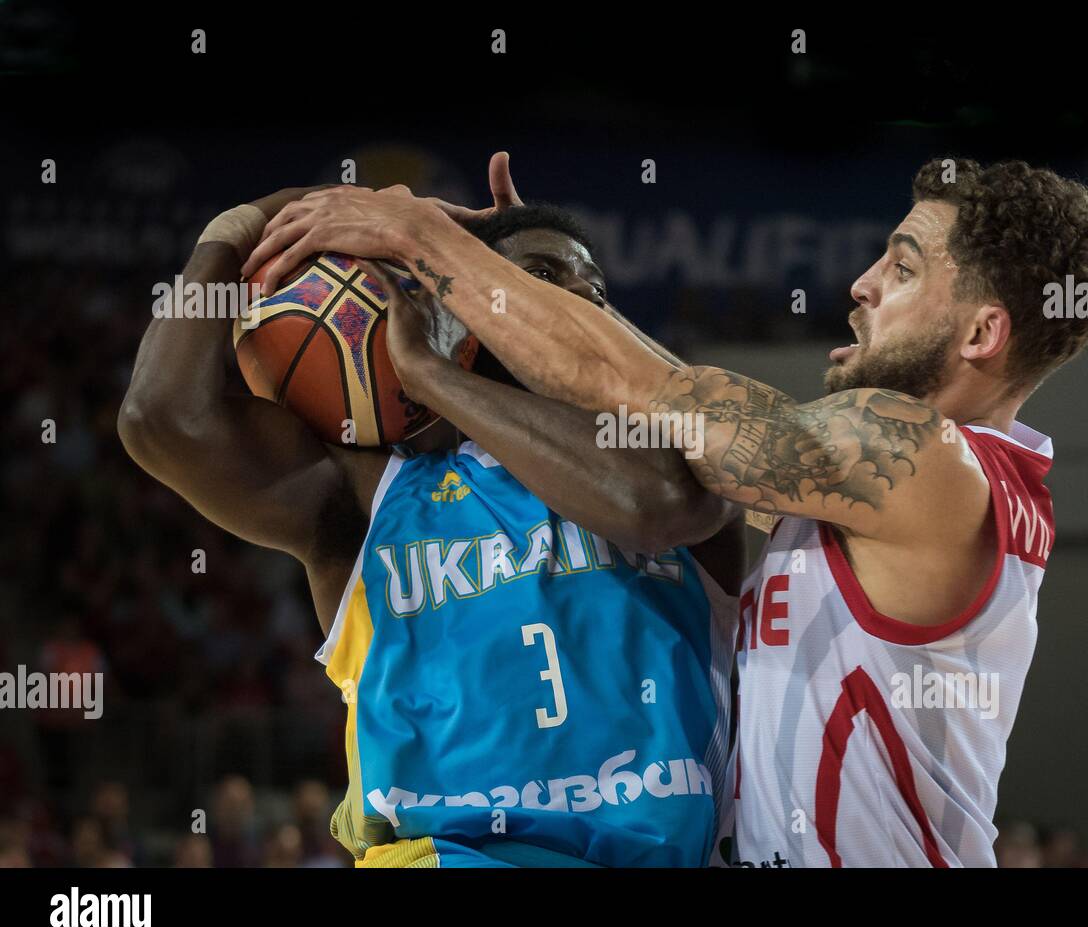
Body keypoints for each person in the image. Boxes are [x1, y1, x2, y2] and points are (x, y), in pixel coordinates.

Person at [244, 155, 1088, 867]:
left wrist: (428, 241)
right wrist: (527, 275)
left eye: (901, 266)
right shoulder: (926, 483)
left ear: (981, 335)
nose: (861, 283)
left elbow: (654, 393)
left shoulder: (915, 458)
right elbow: (679, 413)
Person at [119, 169, 743, 867]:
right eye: (536, 276)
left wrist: (437, 372)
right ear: (463, 308)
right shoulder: (370, 495)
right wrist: (245, 224)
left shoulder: (680, 468)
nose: (570, 302)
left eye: (595, 293)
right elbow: (162, 417)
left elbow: (660, 503)